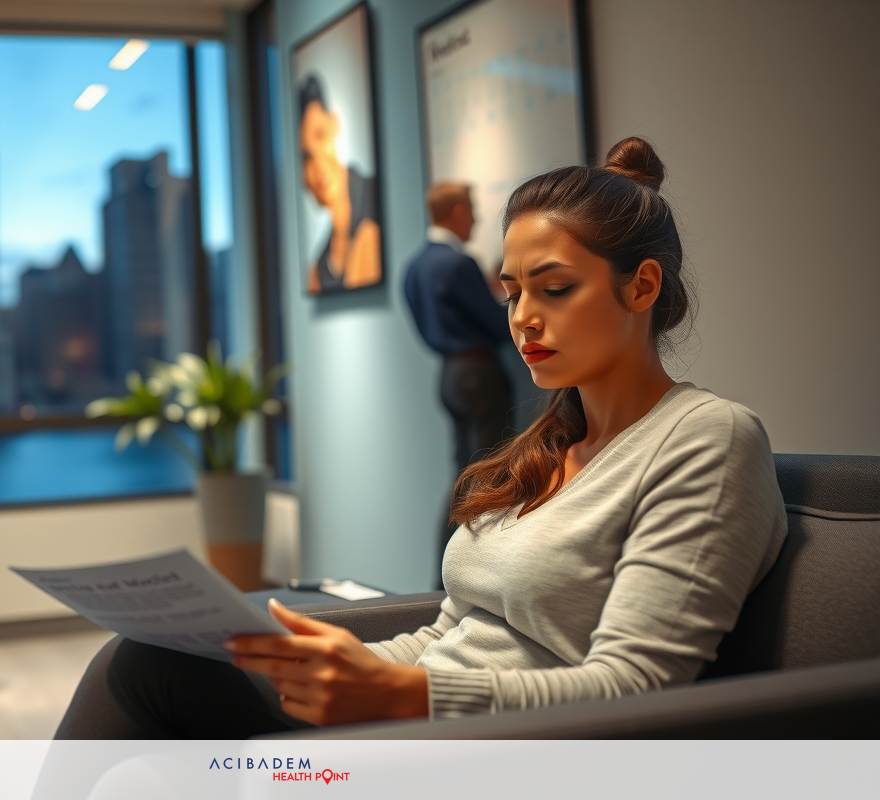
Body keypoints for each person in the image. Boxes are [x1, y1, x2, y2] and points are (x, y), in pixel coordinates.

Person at [54, 137, 788, 737]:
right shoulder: (543, 450)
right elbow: (451, 632)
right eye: (512, 291)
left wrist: (405, 697)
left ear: (642, 287)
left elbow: (638, 690)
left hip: (509, 753)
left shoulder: (708, 441)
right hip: (414, 728)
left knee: (154, 685)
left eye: (555, 288)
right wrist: (351, 665)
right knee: (147, 658)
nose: (524, 317)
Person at [404, 182, 513, 584]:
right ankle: (476, 578)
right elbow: (500, 326)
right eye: (470, 209)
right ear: (454, 213)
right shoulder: (458, 264)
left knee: (464, 475)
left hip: (449, 375)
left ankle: (444, 579)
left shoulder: (415, 267)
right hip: (479, 374)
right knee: (491, 474)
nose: (476, 218)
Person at [296, 74, 381, 294]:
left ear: (335, 125)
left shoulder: (377, 198)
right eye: (306, 157)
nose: (318, 165)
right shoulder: (318, 270)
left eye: (320, 136)